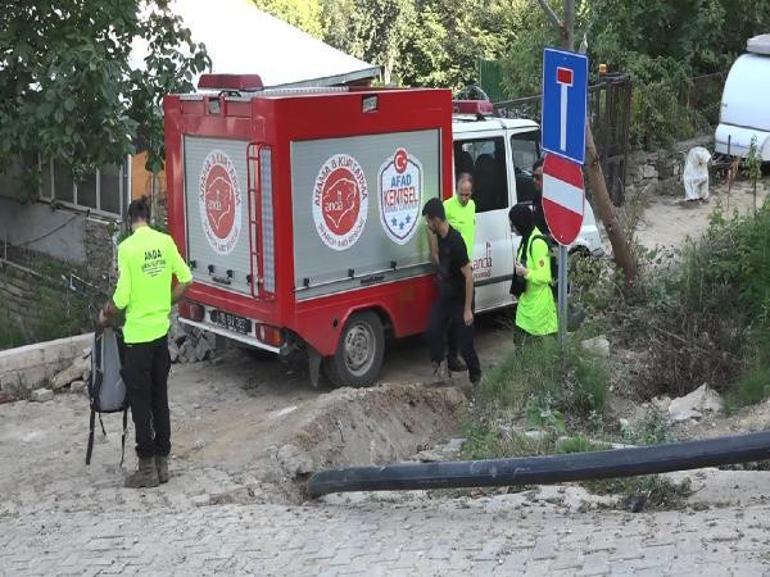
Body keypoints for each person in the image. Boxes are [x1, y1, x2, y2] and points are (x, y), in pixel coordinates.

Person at [99, 197, 193, 488]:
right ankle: (163, 464)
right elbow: (186, 279)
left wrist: (106, 313)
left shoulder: (126, 248)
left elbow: (123, 297)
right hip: (160, 336)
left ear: (130, 221)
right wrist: (165, 302)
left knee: (140, 402)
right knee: (159, 398)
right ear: (148, 218)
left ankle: (147, 468)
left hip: (137, 339)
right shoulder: (165, 242)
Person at [422, 197, 481, 385]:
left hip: (461, 298)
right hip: (447, 296)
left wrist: (467, 309)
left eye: (428, 220)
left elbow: (469, 276)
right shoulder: (439, 234)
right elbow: (435, 256)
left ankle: (476, 379)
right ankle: (440, 368)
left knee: (466, 345)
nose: (427, 224)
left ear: (436, 220)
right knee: (433, 329)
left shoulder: (456, 242)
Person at [441, 173, 476, 372]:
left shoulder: (472, 206)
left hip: (467, 267)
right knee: (455, 316)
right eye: (461, 194)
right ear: (456, 190)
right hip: (453, 271)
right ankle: (452, 357)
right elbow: (432, 227)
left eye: (467, 195)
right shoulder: (447, 206)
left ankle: (465, 353)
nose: (464, 198)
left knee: (469, 312)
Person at [508, 203, 557, 337]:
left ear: (521, 223)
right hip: (526, 305)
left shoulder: (537, 243)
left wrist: (526, 272)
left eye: (514, 224)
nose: (512, 229)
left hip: (539, 309)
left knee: (536, 350)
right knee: (519, 346)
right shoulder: (526, 239)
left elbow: (545, 276)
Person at [530, 158, 550, 236]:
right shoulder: (536, 197)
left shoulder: (556, 201)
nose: (534, 180)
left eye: (538, 177)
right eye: (533, 176)